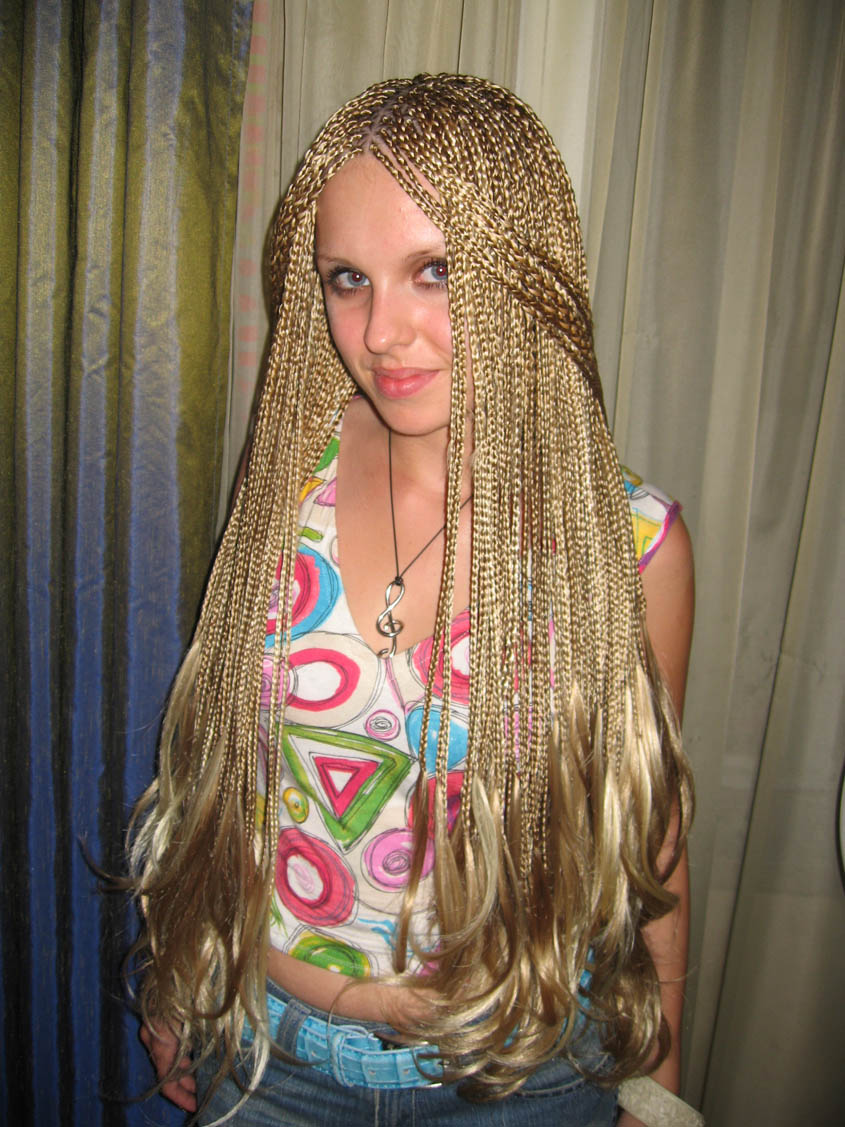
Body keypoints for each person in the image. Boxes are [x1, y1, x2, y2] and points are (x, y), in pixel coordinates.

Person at [130, 73, 694, 1126]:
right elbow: (218, 763)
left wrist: (656, 1081)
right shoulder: (285, 474)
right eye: (348, 279)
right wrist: (180, 972)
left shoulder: (627, 548)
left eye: (433, 270)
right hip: (270, 1063)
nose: (382, 330)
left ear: (521, 269)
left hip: (524, 1078)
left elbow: (650, 833)